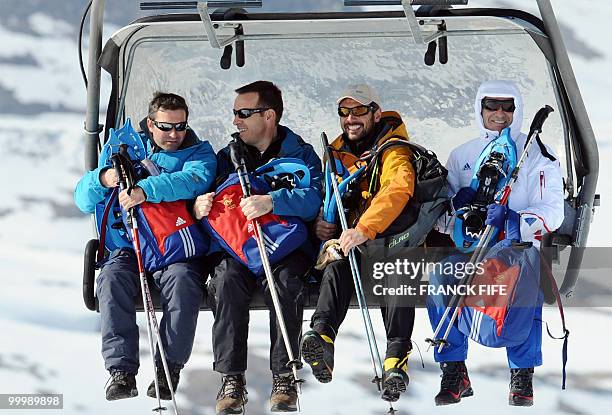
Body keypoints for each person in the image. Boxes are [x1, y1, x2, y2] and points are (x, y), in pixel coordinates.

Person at [74, 92, 217, 401]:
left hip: (174, 247)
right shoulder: (123, 151)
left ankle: (169, 367)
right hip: (129, 246)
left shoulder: (198, 153)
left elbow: (193, 181)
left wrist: (144, 190)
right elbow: (84, 199)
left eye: (181, 127)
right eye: (166, 127)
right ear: (151, 124)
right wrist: (104, 177)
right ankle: (121, 371)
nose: (175, 135)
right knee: (111, 281)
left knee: (183, 283)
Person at [431, 80, 564, 406]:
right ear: (480, 108)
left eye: (508, 106)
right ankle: (453, 368)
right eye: (492, 105)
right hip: (474, 248)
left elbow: (553, 212)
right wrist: (458, 208)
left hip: (517, 248)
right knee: (441, 276)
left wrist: (514, 219)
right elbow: (443, 221)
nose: (499, 113)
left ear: (517, 110)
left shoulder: (536, 156)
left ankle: (522, 373)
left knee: (524, 281)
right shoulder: (462, 155)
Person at [193, 80, 322, 414]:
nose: (236, 121)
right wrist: (200, 206)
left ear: (269, 116)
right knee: (226, 282)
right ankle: (231, 378)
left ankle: (284, 375)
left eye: (243, 113)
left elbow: (314, 200)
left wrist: (273, 201)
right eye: (235, 113)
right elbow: (206, 197)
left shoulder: (300, 155)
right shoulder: (227, 157)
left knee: (286, 283)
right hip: (238, 246)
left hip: (285, 244)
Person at [300, 84, 417, 402]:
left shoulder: (394, 150)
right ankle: (322, 336)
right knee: (336, 260)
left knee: (397, 274)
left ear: (376, 114)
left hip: (392, 240)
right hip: (354, 242)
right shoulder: (336, 152)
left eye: (359, 111)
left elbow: (398, 189)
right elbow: (327, 195)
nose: (351, 119)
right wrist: (322, 225)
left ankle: (396, 359)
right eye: (344, 112)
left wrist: (364, 228)